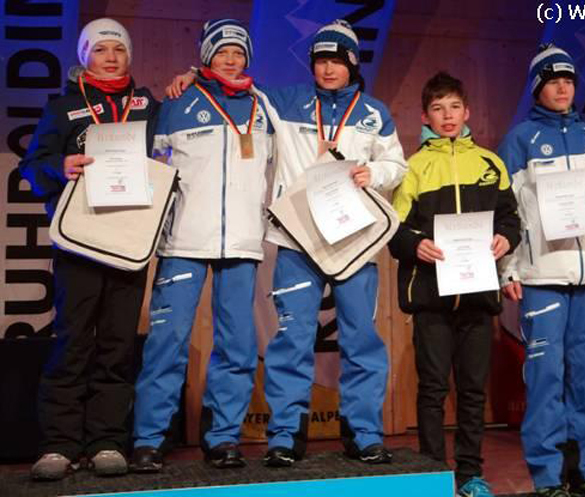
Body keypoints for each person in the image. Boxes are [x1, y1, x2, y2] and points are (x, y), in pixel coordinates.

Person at [257, 20, 406, 466]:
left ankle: (363, 433)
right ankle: (285, 435)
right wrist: (193, 75)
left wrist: (374, 174)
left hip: (354, 239)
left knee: (361, 337)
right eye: (321, 60)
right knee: (292, 336)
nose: (327, 68)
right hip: (297, 238)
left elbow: (397, 165)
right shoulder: (286, 102)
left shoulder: (374, 113)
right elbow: (238, 86)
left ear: (352, 64)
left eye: (336, 60)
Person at [19, 18, 160, 480]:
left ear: (129, 55)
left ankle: (106, 441)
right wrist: (60, 166)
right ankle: (59, 444)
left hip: (128, 239)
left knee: (118, 345)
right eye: (100, 49)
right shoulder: (62, 108)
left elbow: (171, 151)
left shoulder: (148, 105)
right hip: (80, 240)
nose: (111, 56)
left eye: (118, 49)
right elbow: (34, 164)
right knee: (74, 341)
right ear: (85, 56)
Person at [130, 19, 272, 472]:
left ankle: (224, 437)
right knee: (167, 340)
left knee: (237, 344)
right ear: (206, 56)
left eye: (239, 54)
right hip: (184, 240)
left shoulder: (263, 105)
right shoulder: (177, 102)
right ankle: (150, 439)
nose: (232, 61)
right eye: (223, 52)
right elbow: (153, 169)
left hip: (242, 243)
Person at [498, 44, 585, 497]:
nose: (563, 87)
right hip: (542, 276)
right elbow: (507, 213)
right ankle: (548, 477)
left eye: (568, 80)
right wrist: (508, 270)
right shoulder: (520, 140)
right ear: (538, 87)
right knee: (546, 381)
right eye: (553, 80)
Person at [388, 71, 520, 497]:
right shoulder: (413, 167)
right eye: (438, 109)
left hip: (479, 297)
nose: (447, 116)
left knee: (472, 391)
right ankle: (433, 476)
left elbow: (510, 218)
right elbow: (394, 229)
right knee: (431, 389)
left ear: (467, 112)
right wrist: (416, 245)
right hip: (431, 296)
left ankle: (469, 474)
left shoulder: (490, 163)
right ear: (425, 115)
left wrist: (507, 238)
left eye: (454, 107)